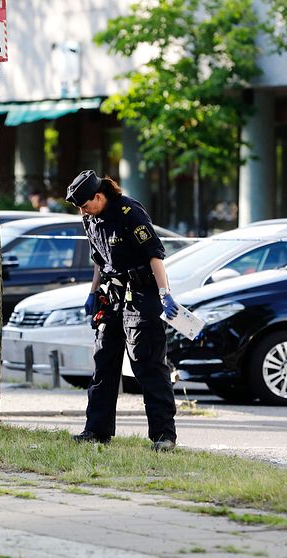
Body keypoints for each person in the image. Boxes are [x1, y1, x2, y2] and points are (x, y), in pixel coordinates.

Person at [65, 170, 179, 452]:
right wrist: (92, 293)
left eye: (85, 205)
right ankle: (96, 430)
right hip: (112, 295)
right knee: (104, 360)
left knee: (147, 363)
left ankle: (164, 436)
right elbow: (98, 259)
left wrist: (165, 294)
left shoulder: (129, 211)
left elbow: (154, 253)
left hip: (142, 294)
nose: (83, 211)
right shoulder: (90, 218)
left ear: (99, 196)